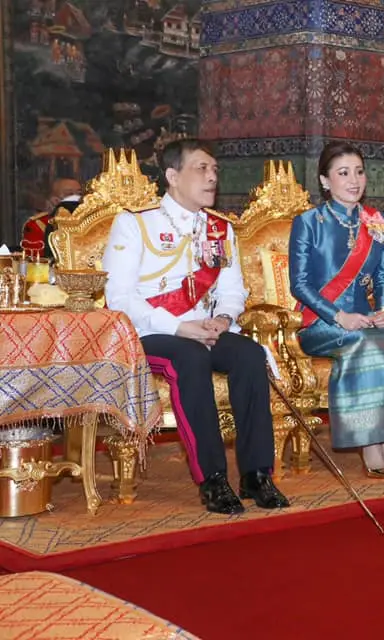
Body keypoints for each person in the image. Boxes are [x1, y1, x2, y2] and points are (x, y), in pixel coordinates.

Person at [101, 139, 288, 514]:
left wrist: (223, 319)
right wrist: (179, 327)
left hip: (205, 329)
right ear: (173, 176)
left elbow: (233, 291)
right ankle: (213, 479)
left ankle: (256, 475)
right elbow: (119, 298)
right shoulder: (135, 223)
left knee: (249, 354)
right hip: (150, 333)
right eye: (201, 169)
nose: (212, 177)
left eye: (214, 169)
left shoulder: (220, 229)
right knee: (190, 357)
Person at [289, 141, 384, 479]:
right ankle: (371, 442)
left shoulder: (378, 222)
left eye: (359, 171)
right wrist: (339, 316)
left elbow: (383, 276)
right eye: (343, 173)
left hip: (363, 321)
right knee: (365, 342)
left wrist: (382, 311)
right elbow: (300, 285)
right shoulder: (309, 222)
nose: (353, 180)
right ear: (325, 180)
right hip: (319, 323)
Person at [21, 177, 83, 260]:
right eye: (69, 194)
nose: (76, 197)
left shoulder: (92, 221)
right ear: (54, 199)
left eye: (79, 193)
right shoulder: (38, 225)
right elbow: (35, 261)